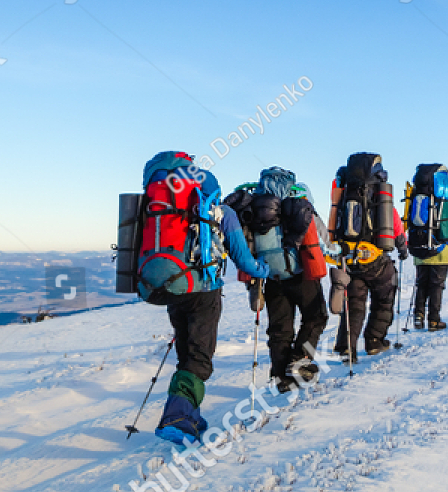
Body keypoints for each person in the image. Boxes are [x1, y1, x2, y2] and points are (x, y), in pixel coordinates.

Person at [133, 151, 271, 446]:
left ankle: (190, 414)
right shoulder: (219, 211)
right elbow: (244, 261)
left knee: (187, 350)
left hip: (170, 285)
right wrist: (263, 269)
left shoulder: (153, 208)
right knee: (199, 357)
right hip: (203, 289)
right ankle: (178, 418)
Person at [225, 167, 330, 392]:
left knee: (280, 328)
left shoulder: (252, 205)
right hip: (300, 273)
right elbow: (321, 235)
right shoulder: (298, 198)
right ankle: (299, 359)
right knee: (317, 316)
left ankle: (283, 378)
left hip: (268, 276)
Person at [327, 153, 407, 362]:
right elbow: (396, 227)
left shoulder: (344, 196)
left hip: (349, 259)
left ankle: (347, 347)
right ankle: (374, 341)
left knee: (354, 303)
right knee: (384, 297)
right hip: (375, 260)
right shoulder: (379, 197)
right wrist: (402, 249)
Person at [404, 165, 448, 331]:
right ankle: (434, 320)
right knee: (436, 286)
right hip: (441, 254)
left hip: (420, 252)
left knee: (421, 284)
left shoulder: (416, 202)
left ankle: (418, 316)